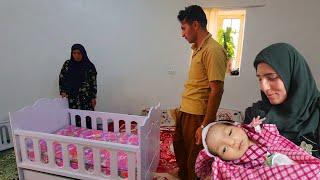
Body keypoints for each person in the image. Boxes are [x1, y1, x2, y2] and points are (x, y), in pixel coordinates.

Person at [173, 5, 228, 179]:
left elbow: (217, 90)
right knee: (180, 147)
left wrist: (205, 124)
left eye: (184, 28)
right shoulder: (198, 49)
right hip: (186, 109)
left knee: (194, 158)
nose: (182, 34)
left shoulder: (213, 50)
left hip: (197, 114)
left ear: (195, 25)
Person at [244, 43, 320, 157]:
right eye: (260, 79)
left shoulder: (316, 115)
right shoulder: (256, 116)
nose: (264, 87)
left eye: (271, 77)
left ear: (293, 76)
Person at [195, 120, 320, 179]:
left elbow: (272, 140)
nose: (232, 142)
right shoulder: (237, 164)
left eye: (230, 133)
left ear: (237, 126)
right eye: (224, 149)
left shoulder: (255, 134)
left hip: (289, 162)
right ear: (222, 159)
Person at [59, 44, 97, 110]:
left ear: (83, 53)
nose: (76, 55)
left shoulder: (89, 66)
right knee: (72, 117)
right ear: (72, 53)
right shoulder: (67, 64)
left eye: (79, 53)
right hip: (71, 97)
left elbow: (93, 83)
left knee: (86, 118)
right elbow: (62, 78)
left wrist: (93, 97)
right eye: (74, 53)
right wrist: (63, 91)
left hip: (86, 98)